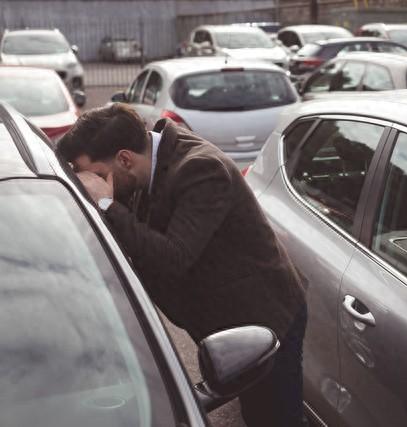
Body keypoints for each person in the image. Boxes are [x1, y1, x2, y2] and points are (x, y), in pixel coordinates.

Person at [57, 103, 307, 426]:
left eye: (98, 176)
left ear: (124, 159)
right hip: (229, 322)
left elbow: (173, 257)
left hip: (267, 319)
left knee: (274, 418)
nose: (95, 185)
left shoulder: (203, 171)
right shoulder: (144, 165)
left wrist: (105, 203)